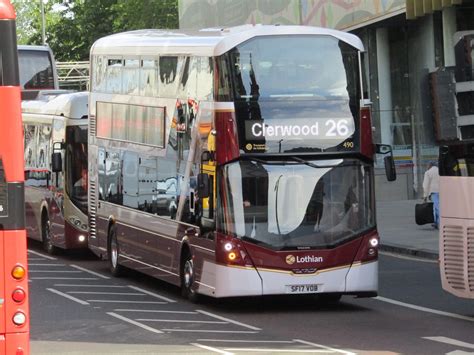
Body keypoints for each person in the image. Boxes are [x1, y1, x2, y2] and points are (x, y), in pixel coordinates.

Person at [422, 161, 440, 229]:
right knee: (438, 207)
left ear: (430, 165)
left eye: (427, 165)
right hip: (443, 192)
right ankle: (436, 222)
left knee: (437, 207)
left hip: (434, 192)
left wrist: (425, 196)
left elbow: (425, 185)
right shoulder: (441, 171)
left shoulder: (428, 172)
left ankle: (440, 222)